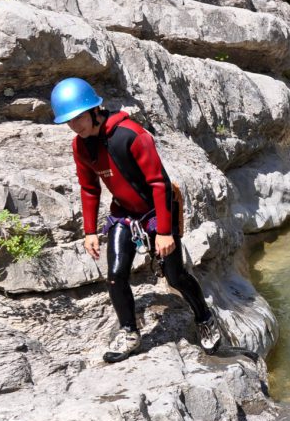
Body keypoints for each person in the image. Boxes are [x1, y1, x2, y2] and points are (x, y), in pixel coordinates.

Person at [52, 77, 221, 362]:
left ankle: (204, 317)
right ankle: (129, 331)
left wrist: (165, 232)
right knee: (116, 276)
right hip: (125, 214)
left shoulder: (131, 134)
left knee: (175, 275)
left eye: (79, 118)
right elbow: (89, 187)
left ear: (94, 110)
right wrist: (90, 230)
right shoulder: (81, 146)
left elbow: (159, 184)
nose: (75, 126)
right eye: (69, 121)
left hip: (157, 211)